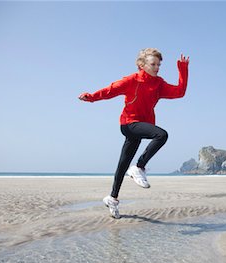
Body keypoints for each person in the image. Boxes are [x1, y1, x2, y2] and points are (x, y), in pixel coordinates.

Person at [79, 48, 189, 219]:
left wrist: (182, 69)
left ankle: (112, 198)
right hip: (129, 124)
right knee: (162, 135)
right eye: (153, 64)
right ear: (142, 65)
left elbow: (179, 92)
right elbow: (110, 90)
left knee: (123, 164)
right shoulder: (132, 80)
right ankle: (139, 167)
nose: (157, 67)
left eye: (158, 65)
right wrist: (91, 97)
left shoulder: (159, 84)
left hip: (142, 125)